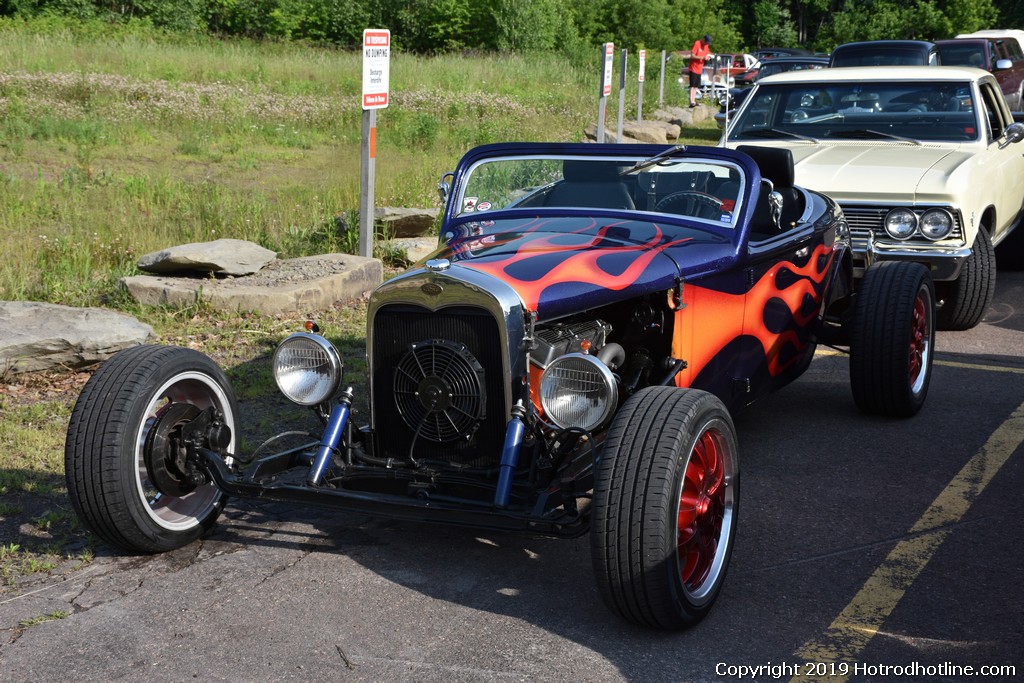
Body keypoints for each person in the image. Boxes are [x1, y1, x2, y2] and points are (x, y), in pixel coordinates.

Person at [688, 34, 713, 108]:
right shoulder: (697, 43)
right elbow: (692, 55)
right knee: (692, 85)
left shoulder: (706, 46)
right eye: (706, 42)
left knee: (696, 86)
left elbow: (707, 54)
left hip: (700, 68)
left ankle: (694, 100)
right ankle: (691, 101)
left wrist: (708, 57)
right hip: (693, 68)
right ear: (703, 39)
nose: (706, 44)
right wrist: (702, 57)